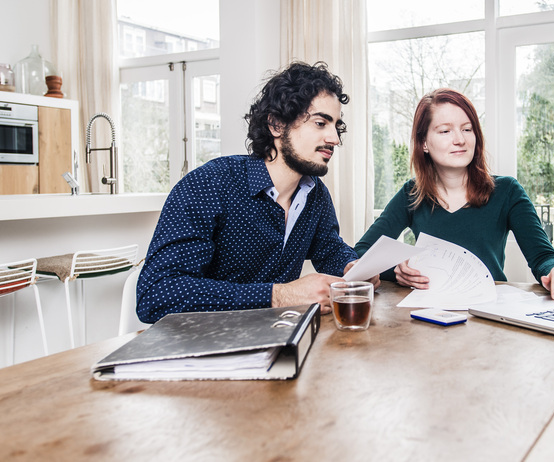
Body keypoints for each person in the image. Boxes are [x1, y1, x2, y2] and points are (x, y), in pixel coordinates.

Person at [137, 61, 378, 323]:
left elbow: (329, 249)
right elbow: (156, 295)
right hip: (203, 347)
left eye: (336, 126)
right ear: (276, 125)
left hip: (275, 339)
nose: (335, 139)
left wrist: (351, 267)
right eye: (321, 123)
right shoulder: (210, 184)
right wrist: (280, 296)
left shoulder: (315, 193)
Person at [355, 88, 554, 299]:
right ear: (423, 143)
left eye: (467, 129)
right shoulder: (411, 194)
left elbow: (543, 257)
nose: (459, 139)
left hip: (490, 317)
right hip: (430, 316)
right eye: (445, 131)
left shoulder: (508, 191)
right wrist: (397, 270)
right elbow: (362, 253)